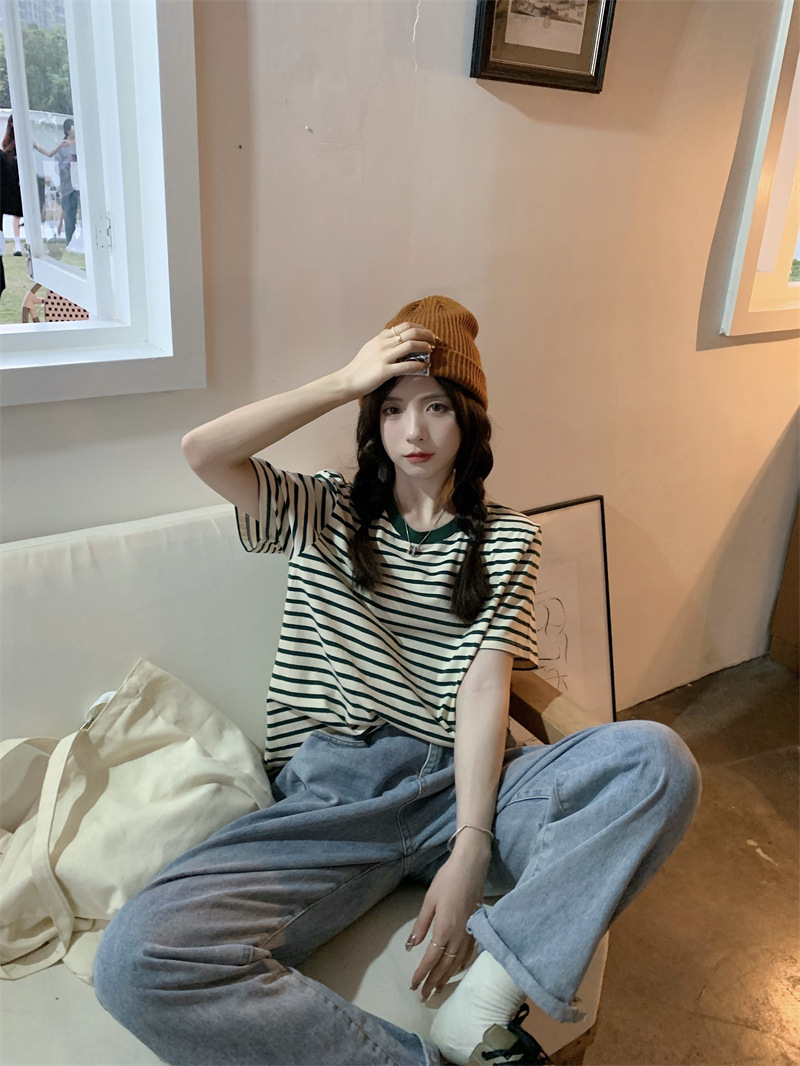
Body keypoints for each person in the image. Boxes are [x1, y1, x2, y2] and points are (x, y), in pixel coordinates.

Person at [93, 295, 701, 1066]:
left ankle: (487, 997)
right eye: (392, 408)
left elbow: (483, 690)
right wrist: (345, 380)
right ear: (371, 419)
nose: (414, 431)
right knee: (136, 960)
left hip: (466, 786)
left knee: (656, 761)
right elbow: (203, 451)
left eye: (437, 406)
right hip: (336, 799)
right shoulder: (323, 510)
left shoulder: (508, 539)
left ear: (468, 421)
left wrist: (472, 847)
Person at [33, 118, 80, 247]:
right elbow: (57, 164)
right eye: (73, 127)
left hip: (80, 185)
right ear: (68, 130)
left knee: (80, 213)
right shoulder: (63, 146)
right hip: (68, 186)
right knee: (69, 215)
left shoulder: (79, 144)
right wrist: (70, 162)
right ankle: (70, 242)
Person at [1, 115, 24, 256]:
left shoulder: (25, 140)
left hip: (21, 179)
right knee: (16, 214)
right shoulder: (8, 144)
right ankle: (17, 244)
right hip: (14, 180)